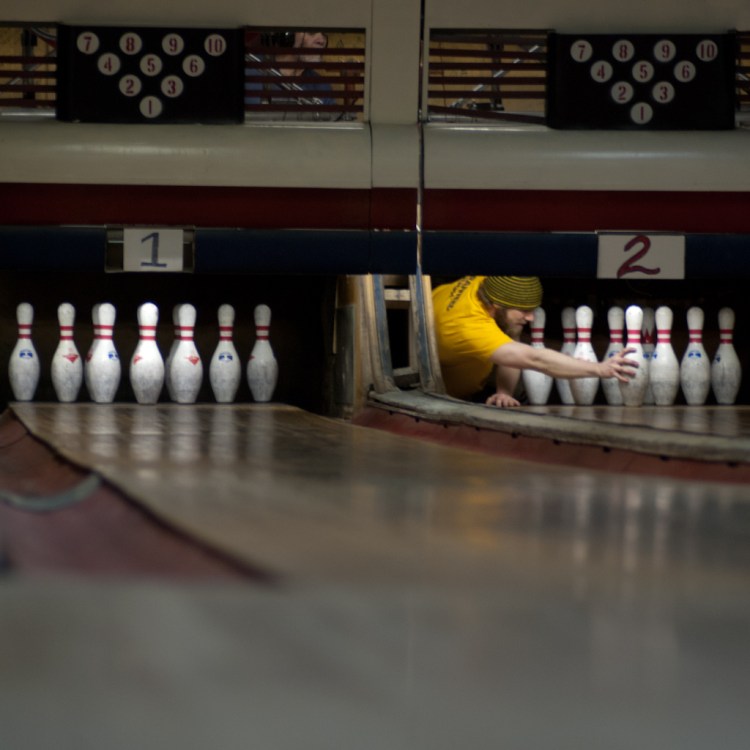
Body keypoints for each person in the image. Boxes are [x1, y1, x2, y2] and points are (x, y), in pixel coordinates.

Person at [431, 275, 638, 407]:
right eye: (524, 310)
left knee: (513, 328)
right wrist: (600, 369)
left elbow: (511, 339)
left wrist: (503, 392)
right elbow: (536, 359)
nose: (531, 318)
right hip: (449, 399)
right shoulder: (469, 326)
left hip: (463, 359)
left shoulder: (487, 283)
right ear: (495, 305)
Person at [245, 31, 335, 109]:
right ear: (289, 35)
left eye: (324, 34)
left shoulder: (321, 87)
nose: (322, 40)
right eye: (311, 32)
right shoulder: (251, 70)